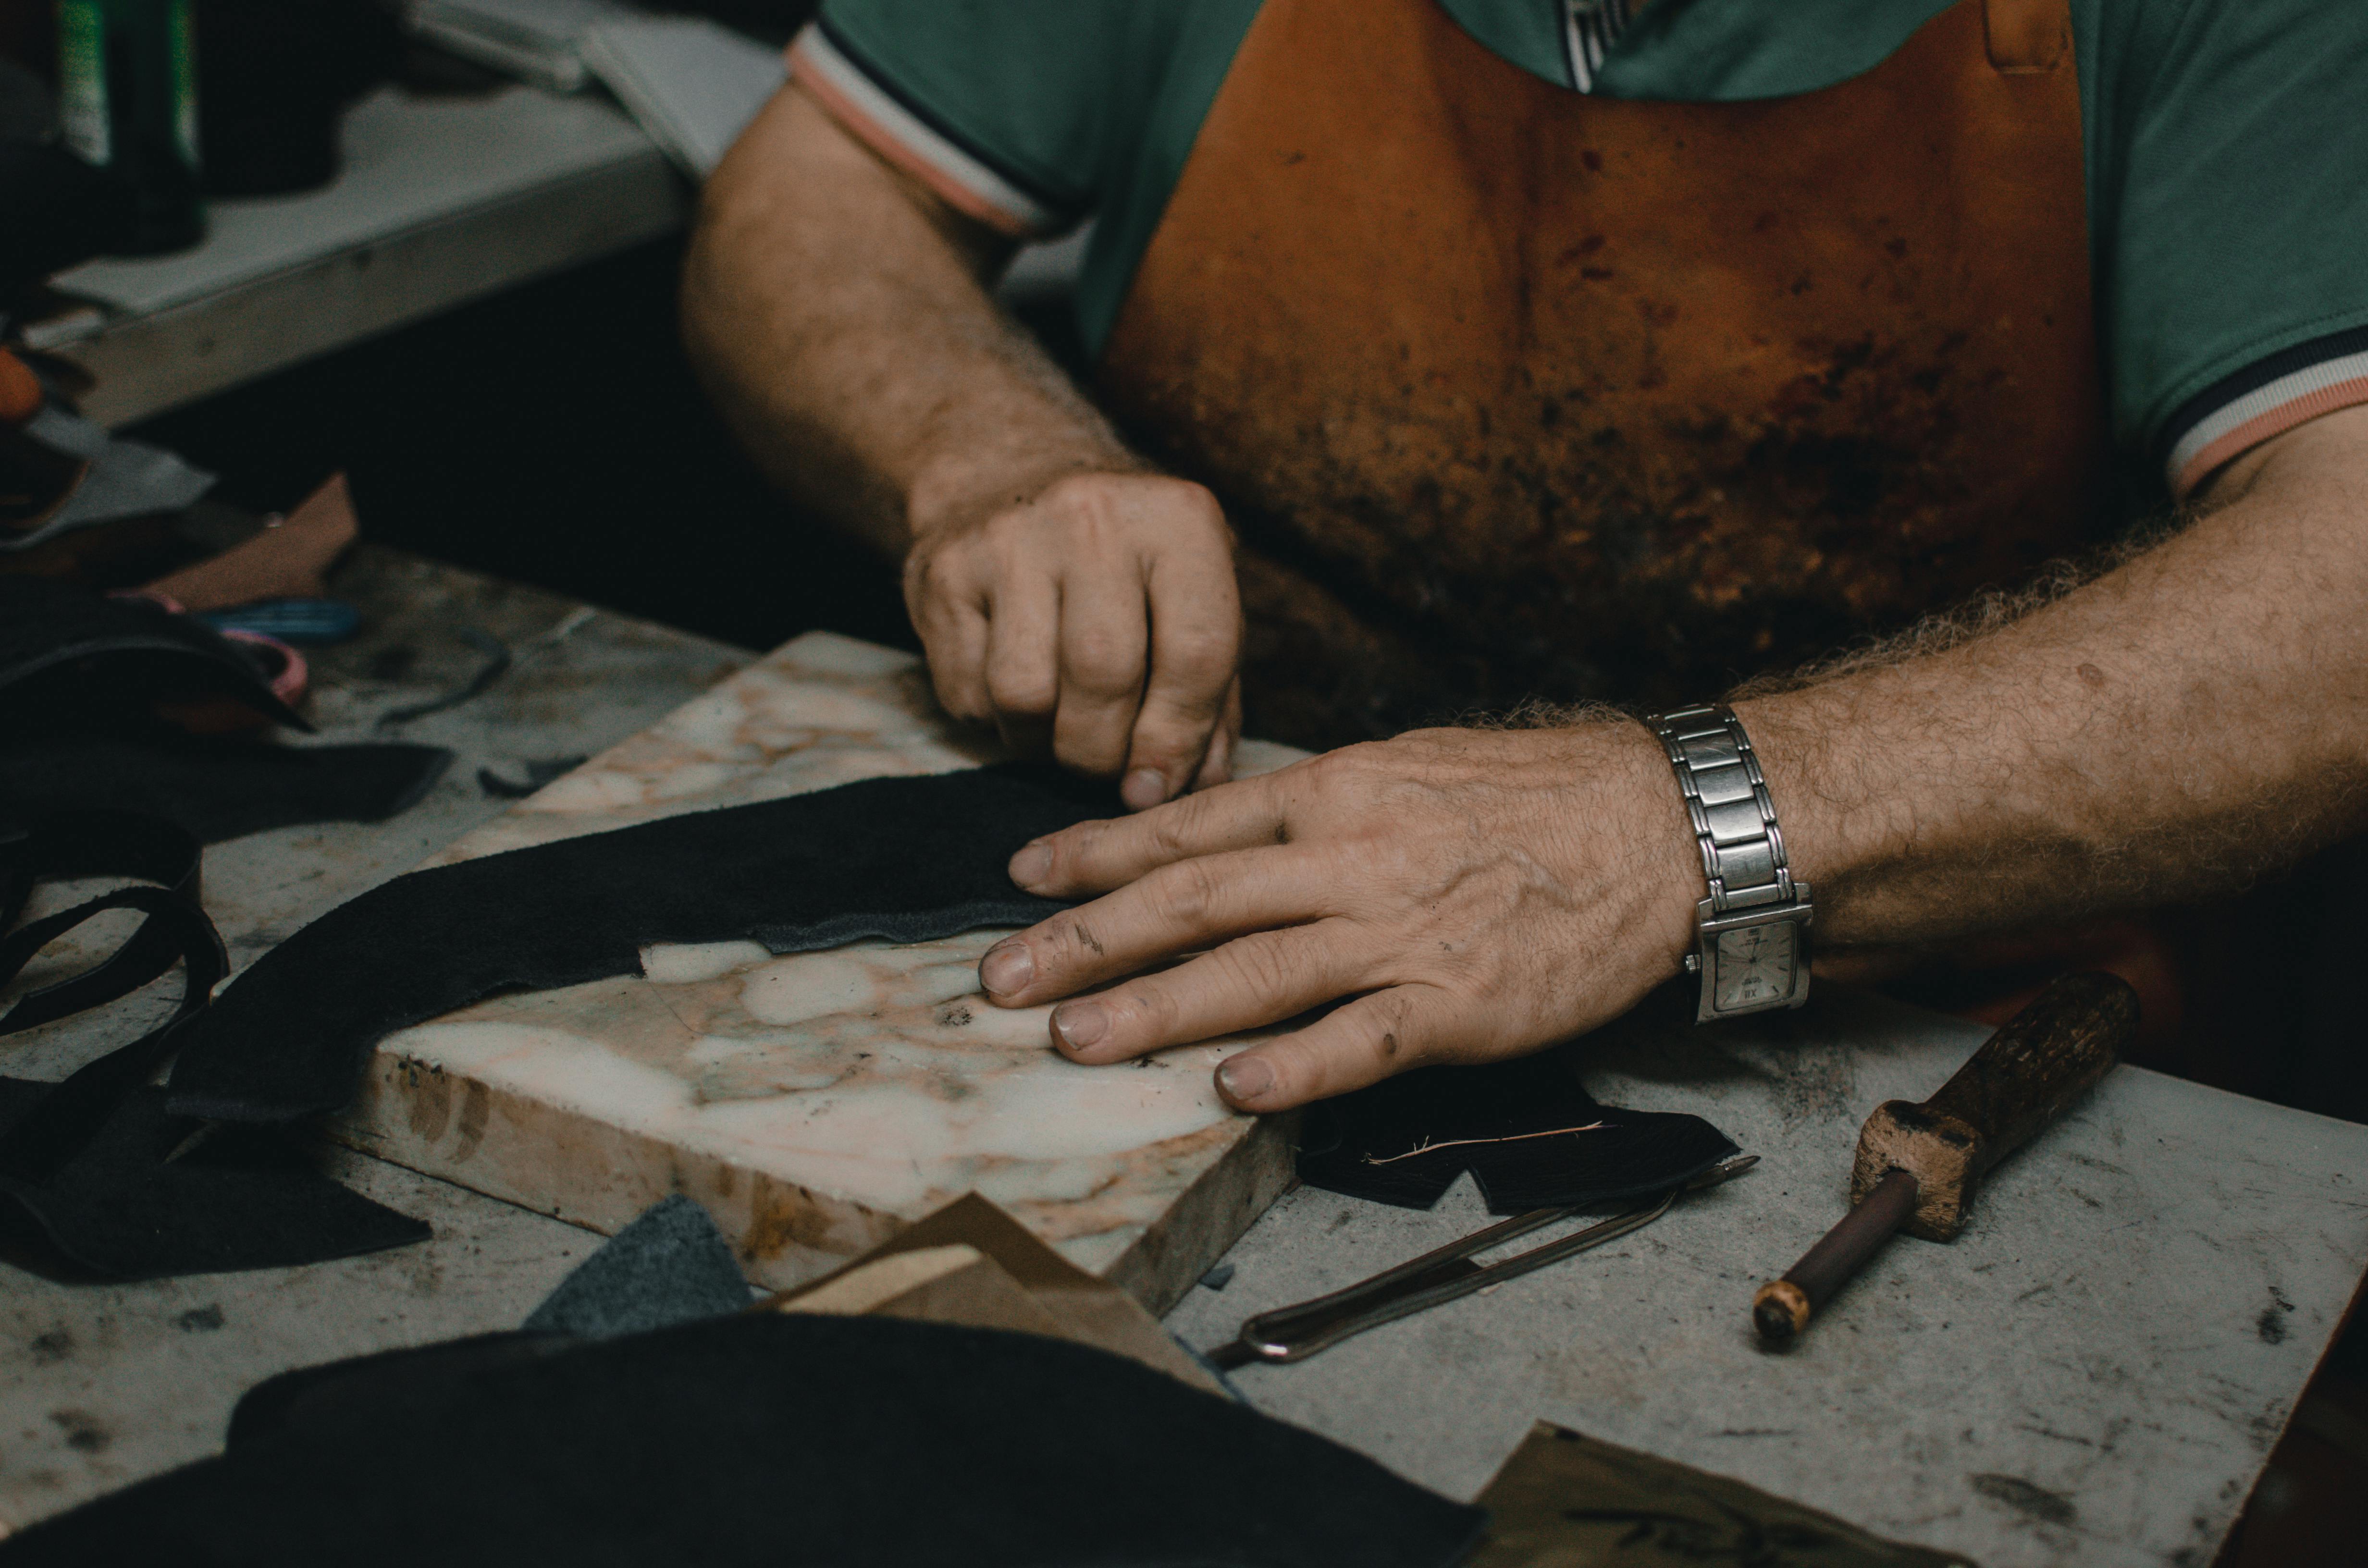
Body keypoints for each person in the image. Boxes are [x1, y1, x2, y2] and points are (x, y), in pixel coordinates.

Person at [682, 0, 2368, 1115]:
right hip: (1211, 871)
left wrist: (1676, 825)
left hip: (1908, 1016)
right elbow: (809, 196)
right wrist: (987, 446)